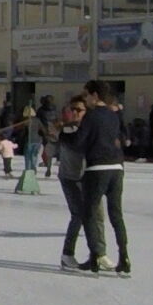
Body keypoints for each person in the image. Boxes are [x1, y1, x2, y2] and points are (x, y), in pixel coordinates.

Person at [72, 80, 130, 276]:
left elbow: (79, 142)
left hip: (97, 168)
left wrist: (62, 135)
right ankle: (124, 257)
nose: (85, 99)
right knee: (116, 215)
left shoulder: (91, 115)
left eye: (87, 95)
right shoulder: (114, 115)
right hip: (117, 168)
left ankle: (96, 255)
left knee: (89, 213)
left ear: (95, 95)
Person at [57, 95, 99, 269]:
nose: (75, 113)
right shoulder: (69, 129)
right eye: (72, 109)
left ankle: (98, 253)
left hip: (85, 176)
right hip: (70, 177)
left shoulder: (87, 128)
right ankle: (67, 254)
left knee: (92, 215)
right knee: (78, 214)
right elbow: (76, 146)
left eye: (79, 110)